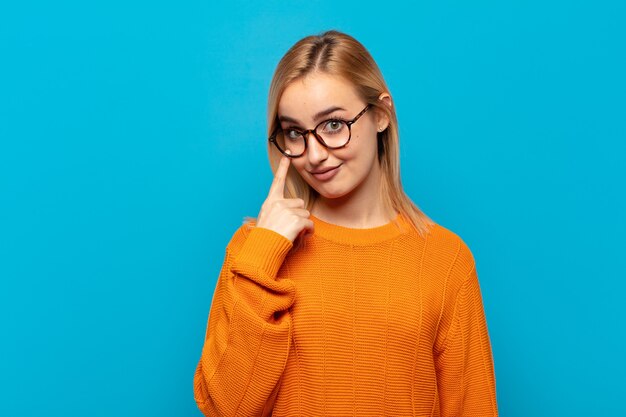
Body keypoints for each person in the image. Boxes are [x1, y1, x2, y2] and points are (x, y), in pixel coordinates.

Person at [193, 30, 498, 416]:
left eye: (333, 124)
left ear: (381, 115)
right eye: (294, 132)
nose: (315, 154)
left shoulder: (445, 259)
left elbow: (473, 406)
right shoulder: (255, 250)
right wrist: (262, 257)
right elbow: (225, 408)